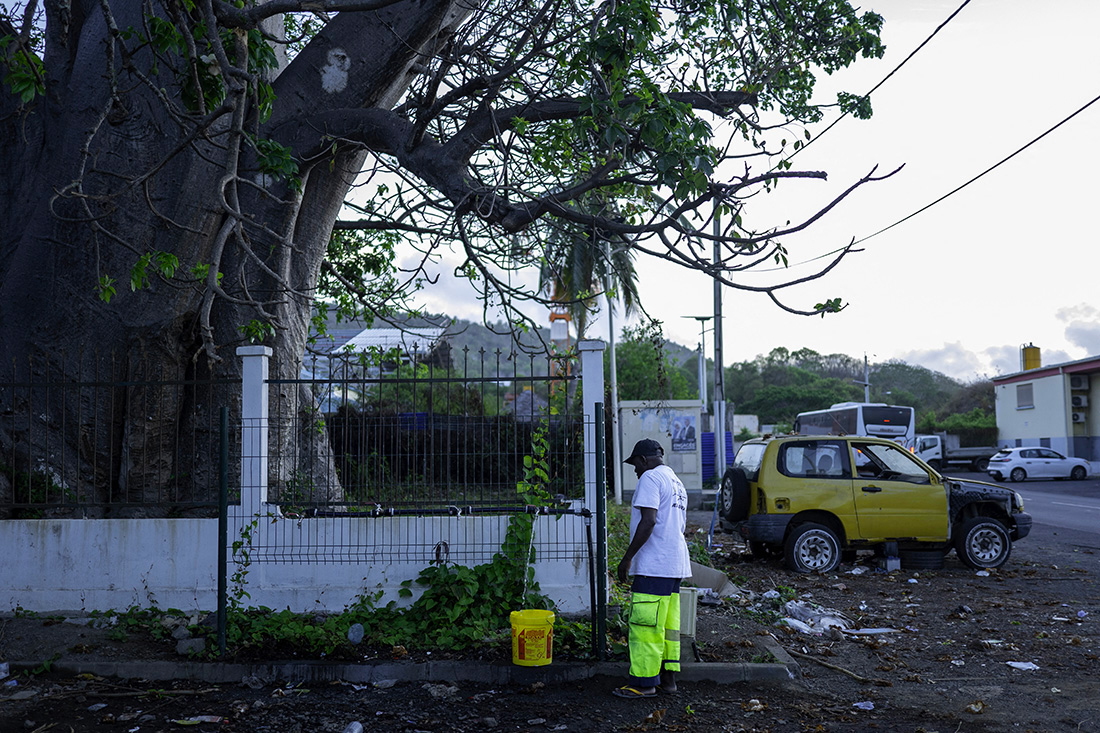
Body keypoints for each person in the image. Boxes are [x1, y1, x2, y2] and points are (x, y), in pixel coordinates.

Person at [613, 438, 692, 699]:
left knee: (645, 627)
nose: (635, 470)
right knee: (667, 628)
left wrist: (627, 559)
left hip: (654, 565)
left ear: (644, 460)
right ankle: (667, 681)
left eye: (635, 463)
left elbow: (648, 522)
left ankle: (644, 684)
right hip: (674, 564)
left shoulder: (650, 478)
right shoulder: (676, 482)